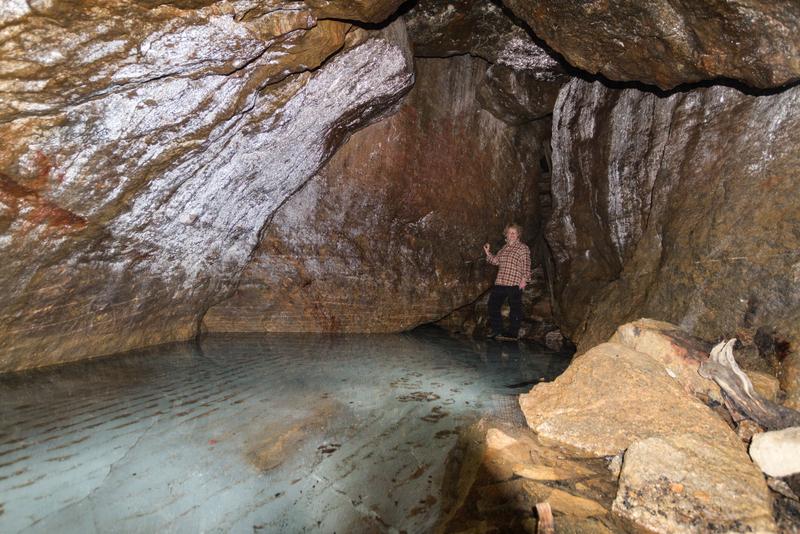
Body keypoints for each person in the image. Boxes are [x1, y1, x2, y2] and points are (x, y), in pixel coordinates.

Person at [483, 223, 531, 340]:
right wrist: (487, 252)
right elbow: (496, 261)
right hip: (501, 282)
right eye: (510, 233)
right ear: (506, 234)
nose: (512, 235)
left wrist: (524, 280)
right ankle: (497, 330)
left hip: (514, 282)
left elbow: (526, 264)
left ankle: (513, 333)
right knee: (492, 305)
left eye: (514, 233)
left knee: (515, 308)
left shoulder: (523, 248)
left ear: (518, 234)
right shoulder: (504, 248)